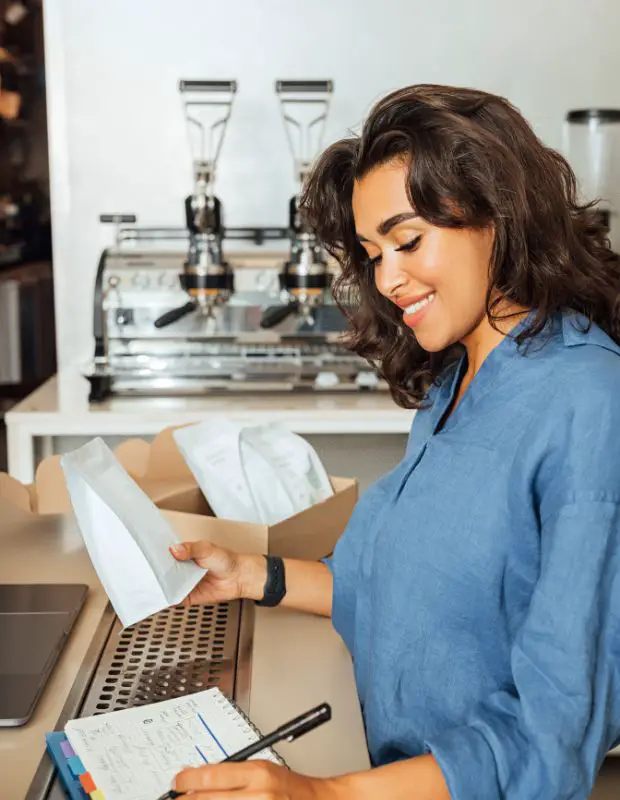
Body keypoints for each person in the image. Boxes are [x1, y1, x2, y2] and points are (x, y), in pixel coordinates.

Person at [169, 85, 620, 799]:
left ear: (500, 217)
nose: (387, 277)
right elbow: (405, 593)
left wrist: (323, 793)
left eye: (408, 241)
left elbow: (550, 735)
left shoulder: (590, 404)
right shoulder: (460, 378)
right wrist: (251, 575)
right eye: (373, 252)